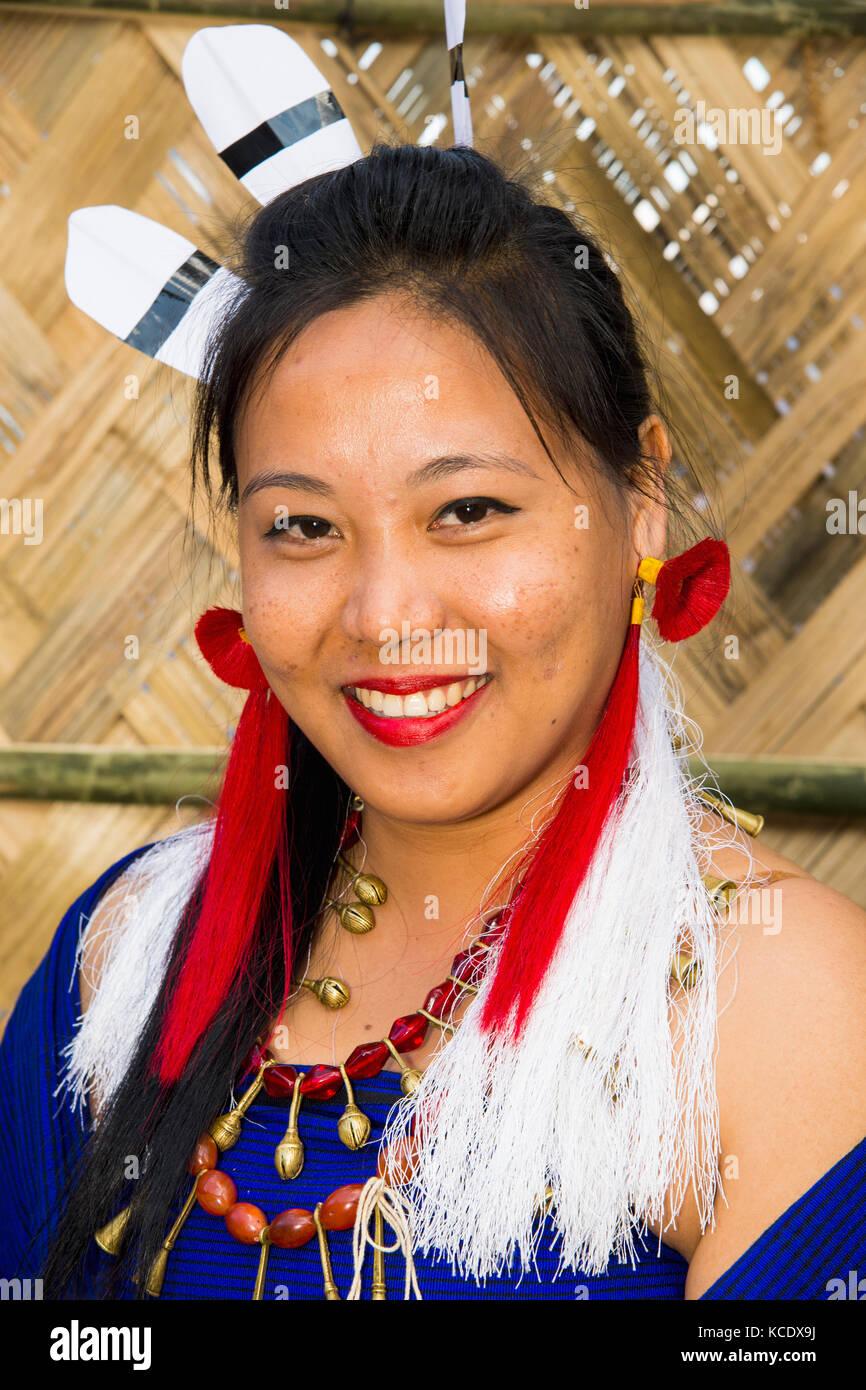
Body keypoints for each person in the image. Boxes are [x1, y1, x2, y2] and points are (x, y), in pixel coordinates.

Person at [1, 23, 865, 1303]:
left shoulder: (776, 1009)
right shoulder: (122, 957)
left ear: (636, 503)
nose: (384, 613)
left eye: (466, 510)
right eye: (303, 526)